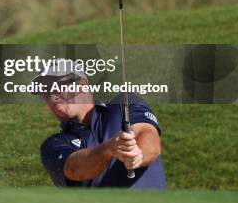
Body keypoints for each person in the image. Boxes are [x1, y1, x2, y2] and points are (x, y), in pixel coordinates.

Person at [33, 59, 166, 188]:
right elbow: (74, 168)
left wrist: (138, 153)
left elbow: (149, 137)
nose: (52, 96)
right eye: (45, 91)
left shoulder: (123, 104)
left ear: (82, 85)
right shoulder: (52, 144)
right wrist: (109, 149)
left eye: (58, 86)